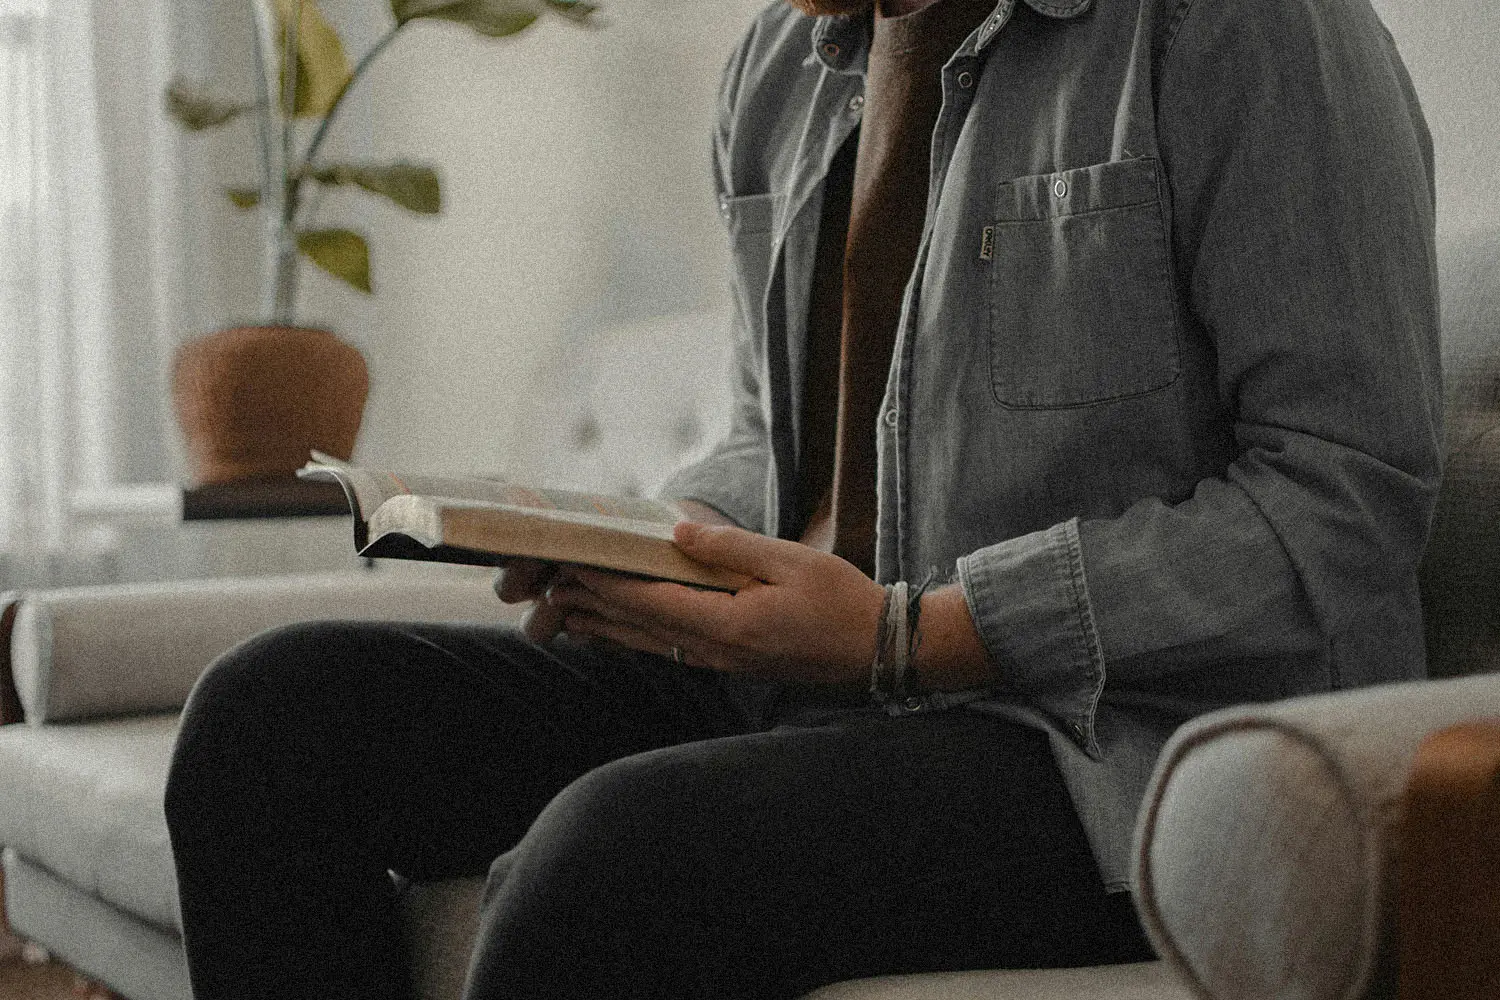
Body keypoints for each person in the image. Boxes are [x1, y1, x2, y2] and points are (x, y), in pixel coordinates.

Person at [164, 0, 1442, 996]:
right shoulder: (786, 66)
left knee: (614, 860)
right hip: (811, 679)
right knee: (270, 725)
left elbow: (1343, 500)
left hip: (1119, 747)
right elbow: (776, 443)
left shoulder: (1244, 32)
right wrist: (651, 548)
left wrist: (913, 632)